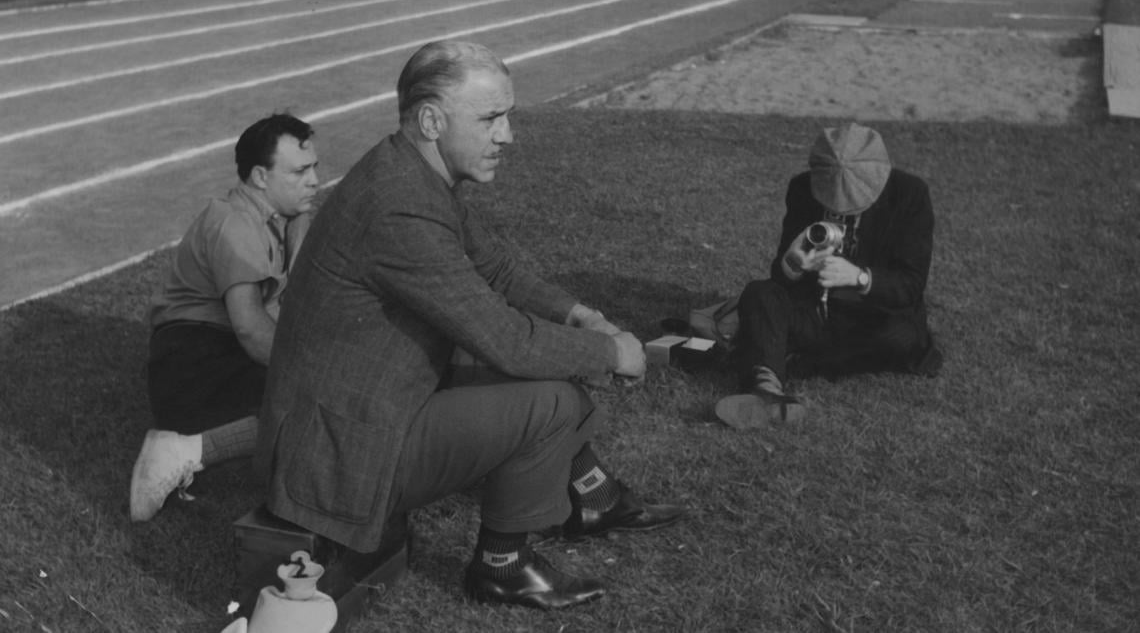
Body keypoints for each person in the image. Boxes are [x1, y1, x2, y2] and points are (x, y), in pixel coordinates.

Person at [256, 41, 685, 610]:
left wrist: (579, 316)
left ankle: (594, 495)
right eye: (490, 119)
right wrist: (613, 353)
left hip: (365, 406)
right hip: (341, 451)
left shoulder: (410, 169)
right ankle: (502, 567)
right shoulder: (398, 206)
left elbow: (496, 268)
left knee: (540, 360)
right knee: (548, 397)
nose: (507, 135)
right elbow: (507, 340)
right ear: (432, 120)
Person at [129, 114, 319, 521]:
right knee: (318, 397)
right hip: (192, 366)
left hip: (206, 352)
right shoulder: (235, 224)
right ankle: (182, 451)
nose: (315, 180)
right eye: (301, 171)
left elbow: (289, 310)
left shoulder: (274, 219)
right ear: (260, 177)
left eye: (314, 168)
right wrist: (311, 371)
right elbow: (252, 329)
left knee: (321, 384)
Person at [715, 122, 941, 430]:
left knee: (901, 336)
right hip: (816, 313)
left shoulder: (909, 195)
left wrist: (860, 277)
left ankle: (791, 357)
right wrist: (792, 264)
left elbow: (910, 285)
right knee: (759, 294)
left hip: (873, 319)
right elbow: (780, 282)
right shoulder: (802, 189)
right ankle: (767, 390)